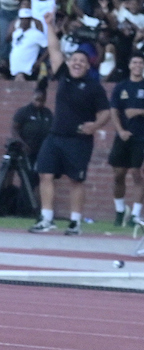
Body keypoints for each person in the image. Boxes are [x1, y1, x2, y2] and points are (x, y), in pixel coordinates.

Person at [29, 15, 110, 234]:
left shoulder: (94, 87)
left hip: (79, 140)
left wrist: (95, 126)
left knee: (76, 180)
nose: (77, 63)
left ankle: (76, 222)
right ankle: (46, 218)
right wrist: (49, 25)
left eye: (82, 62)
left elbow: (106, 113)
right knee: (45, 174)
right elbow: (54, 50)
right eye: (74, 60)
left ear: (87, 66)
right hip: (55, 136)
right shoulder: (63, 74)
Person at [107, 53, 144, 227]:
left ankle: (136, 214)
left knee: (137, 173)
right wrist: (120, 130)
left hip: (141, 136)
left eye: (140, 63)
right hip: (123, 136)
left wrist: (138, 111)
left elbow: (134, 111)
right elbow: (114, 110)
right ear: (129, 65)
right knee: (118, 174)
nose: (137, 65)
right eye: (135, 62)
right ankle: (120, 211)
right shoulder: (121, 86)